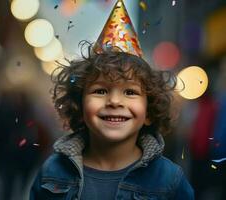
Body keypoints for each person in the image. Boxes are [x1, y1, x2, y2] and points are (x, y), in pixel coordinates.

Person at [30, 1, 194, 199]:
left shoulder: (170, 181)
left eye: (130, 92)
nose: (115, 101)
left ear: (149, 112)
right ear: (79, 105)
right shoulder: (52, 172)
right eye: (100, 91)